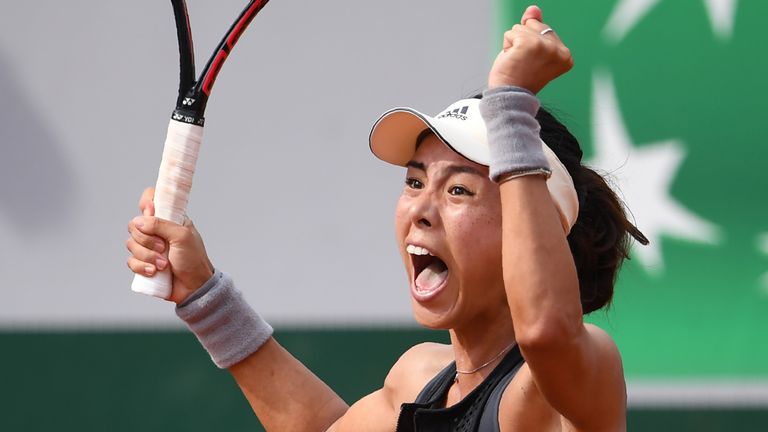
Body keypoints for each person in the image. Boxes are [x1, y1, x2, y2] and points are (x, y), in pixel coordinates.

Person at [126, 5, 647, 431]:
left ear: (535, 227)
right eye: (415, 182)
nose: (421, 210)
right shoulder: (419, 377)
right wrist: (203, 293)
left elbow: (547, 334)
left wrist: (511, 100)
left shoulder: (575, 378)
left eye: (459, 191)